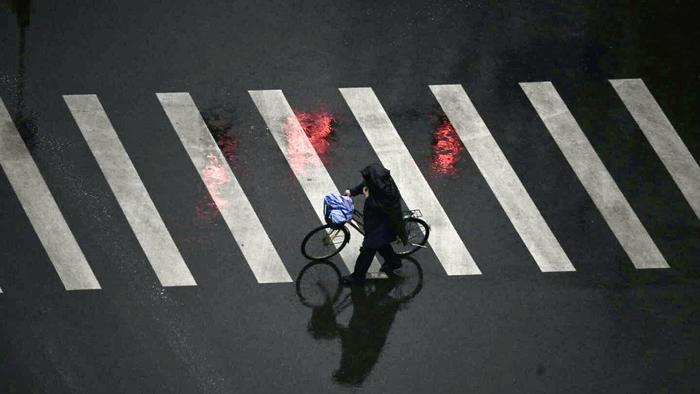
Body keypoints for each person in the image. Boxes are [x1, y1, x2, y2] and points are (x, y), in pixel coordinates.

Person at [341, 163, 406, 285]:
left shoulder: (388, 192)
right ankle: (394, 262)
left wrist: (367, 198)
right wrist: (352, 192)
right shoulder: (377, 182)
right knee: (382, 244)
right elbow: (365, 185)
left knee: (368, 250)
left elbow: (381, 208)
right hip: (374, 223)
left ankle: (358, 277)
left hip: (381, 225)